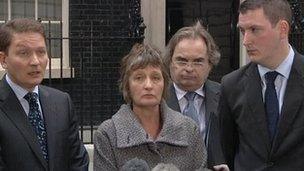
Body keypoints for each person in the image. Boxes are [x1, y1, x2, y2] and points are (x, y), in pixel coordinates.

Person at [93, 43, 209, 170]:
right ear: (127, 85)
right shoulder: (108, 135)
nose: (148, 85)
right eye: (139, 78)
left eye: (155, 77)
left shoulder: (189, 130)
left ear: (164, 84)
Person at [218, 0, 304, 170]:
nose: (245, 41)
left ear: (282, 29)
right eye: (242, 31)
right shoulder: (231, 85)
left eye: (254, 30)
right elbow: (228, 148)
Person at [0, 18, 89, 171]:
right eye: (24, 53)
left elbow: (78, 161)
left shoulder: (62, 102)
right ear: (3, 59)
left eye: (41, 52)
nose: (35, 61)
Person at [164, 21, 228, 171]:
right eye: (182, 60)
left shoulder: (226, 96)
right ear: (170, 62)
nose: (189, 68)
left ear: (210, 64)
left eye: (198, 61)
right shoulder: (156, 99)